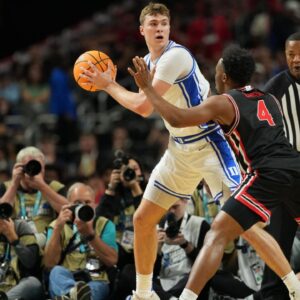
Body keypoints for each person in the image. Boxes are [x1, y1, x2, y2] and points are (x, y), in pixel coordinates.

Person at [80, 3, 241, 299]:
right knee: (143, 220)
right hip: (180, 150)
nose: (159, 29)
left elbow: (143, 107)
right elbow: (141, 100)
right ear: (142, 30)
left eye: (164, 23)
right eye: (153, 24)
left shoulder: (175, 56)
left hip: (209, 144)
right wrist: (112, 85)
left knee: (247, 222)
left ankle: (291, 285)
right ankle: (144, 295)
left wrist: (108, 85)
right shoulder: (147, 61)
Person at [127, 45, 300, 300]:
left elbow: (177, 118)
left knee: (217, 234)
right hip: (295, 166)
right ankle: (296, 290)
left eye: (217, 71)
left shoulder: (223, 102)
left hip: (266, 173)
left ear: (225, 77)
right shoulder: (269, 98)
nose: (215, 76)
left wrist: (149, 88)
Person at [258, 32, 300, 300]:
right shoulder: (274, 90)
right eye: (291, 54)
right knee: (277, 248)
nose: (296, 60)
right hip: (286, 180)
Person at [44, 182, 118, 300]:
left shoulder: (104, 224)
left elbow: (112, 260)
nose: (83, 206)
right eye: (77, 203)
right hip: (66, 276)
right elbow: (49, 263)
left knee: (95, 288)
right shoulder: (57, 225)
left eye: (87, 203)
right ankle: (72, 294)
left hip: (95, 278)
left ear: (95, 205)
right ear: (68, 205)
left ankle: (68, 296)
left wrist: (91, 235)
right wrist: (58, 228)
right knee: (56, 272)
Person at [0, 146, 68, 249]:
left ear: (44, 168)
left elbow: (68, 212)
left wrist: (42, 186)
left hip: (46, 246)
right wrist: (14, 184)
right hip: (13, 243)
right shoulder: (5, 187)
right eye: (28, 167)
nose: (32, 171)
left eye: (38, 167)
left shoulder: (55, 187)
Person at [96, 152, 145, 270]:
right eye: (126, 170)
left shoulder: (150, 192)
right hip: (117, 253)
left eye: (135, 169)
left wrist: (135, 187)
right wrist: (111, 188)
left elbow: (147, 217)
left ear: (141, 173)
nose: (131, 172)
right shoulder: (113, 197)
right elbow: (99, 222)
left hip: (142, 251)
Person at [0, 210, 44, 300]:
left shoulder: (19, 226)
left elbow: (30, 262)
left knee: (33, 283)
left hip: (18, 285)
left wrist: (13, 237)